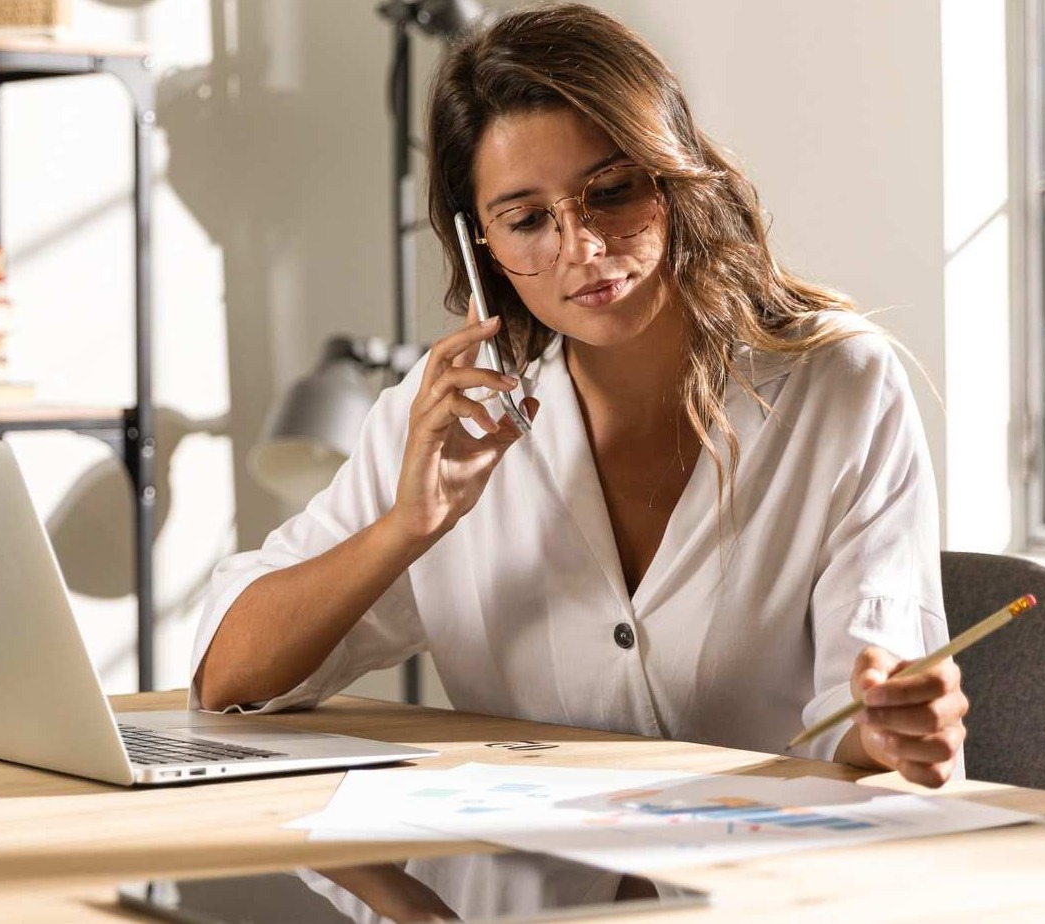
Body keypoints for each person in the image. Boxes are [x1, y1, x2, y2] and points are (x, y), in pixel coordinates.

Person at [192, 3, 967, 787]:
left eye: (612, 191)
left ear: (672, 177)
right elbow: (227, 682)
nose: (582, 248)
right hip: (520, 895)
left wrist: (893, 727)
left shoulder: (837, 386)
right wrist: (407, 527)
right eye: (527, 219)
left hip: (763, 880)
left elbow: (865, 710)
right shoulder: (446, 420)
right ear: (481, 245)